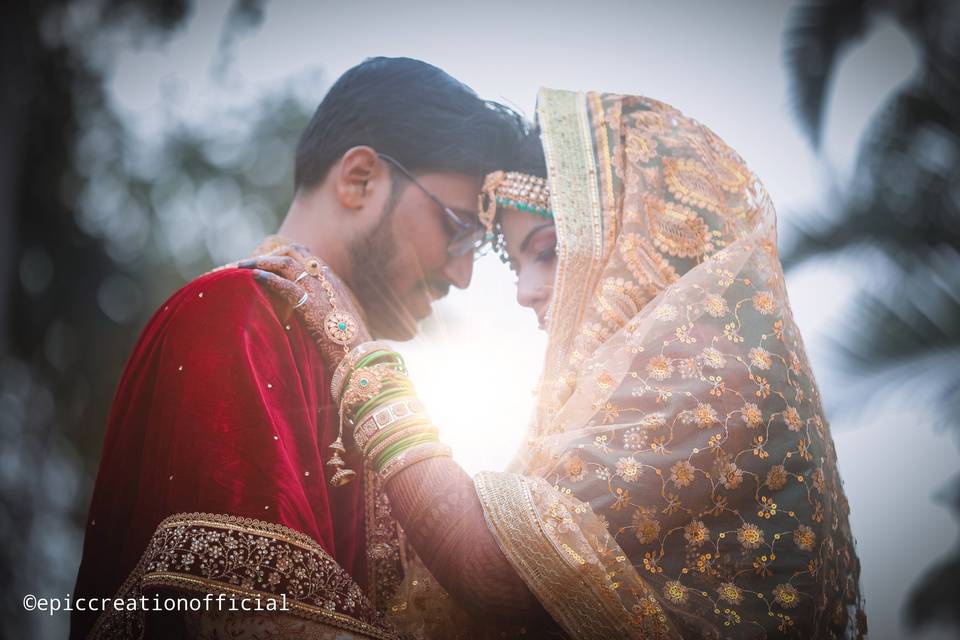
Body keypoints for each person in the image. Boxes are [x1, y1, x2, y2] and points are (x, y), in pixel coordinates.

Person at [265, 88, 867, 638]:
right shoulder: (640, 384)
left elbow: (497, 574)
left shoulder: (713, 370)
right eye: (519, 263)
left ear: (635, 241)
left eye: (548, 253)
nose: (525, 290)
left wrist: (353, 349)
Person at [70, 57, 525, 640]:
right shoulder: (233, 314)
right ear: (359, 178)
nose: (462, 275)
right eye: (457, 229)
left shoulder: (345, 367)